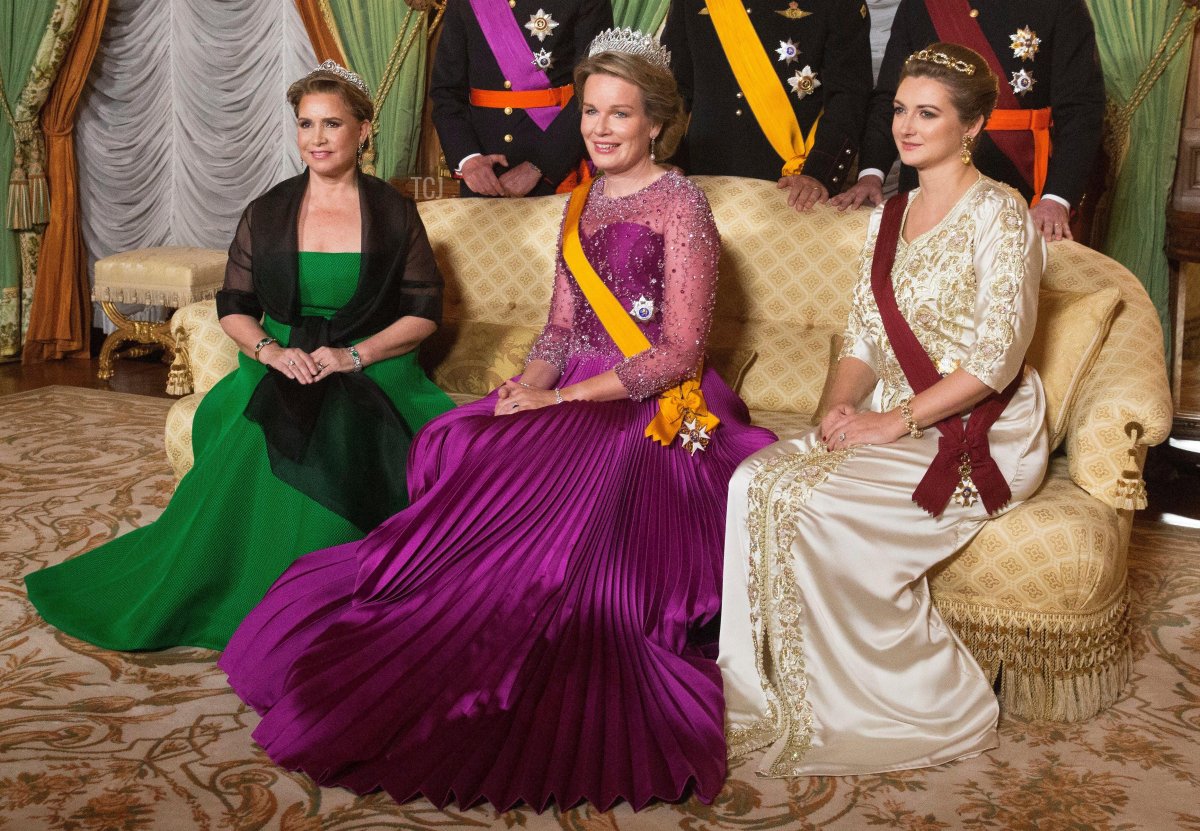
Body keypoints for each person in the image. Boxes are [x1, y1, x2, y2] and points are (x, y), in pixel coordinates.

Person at [219, 30, 777, 811]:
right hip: (572, 385)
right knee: (465, 437)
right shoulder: (580, 201)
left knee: (577, 518)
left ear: (657, 123)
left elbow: (679, 353)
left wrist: (561, 400)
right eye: (590, 111)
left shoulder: (683, 203)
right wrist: (530, 386)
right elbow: (558, 329)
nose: (602, 128)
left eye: (621, 114)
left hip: (654, 407)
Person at [24, 62, 454, 651]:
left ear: (363, 130)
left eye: (332, 124)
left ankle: (326, 603)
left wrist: (351, 356)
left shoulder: (395, 213)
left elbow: (423, 312)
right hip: (275, 361)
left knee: (345, 425)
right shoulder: (268, 210)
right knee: (263, 426)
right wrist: (272, 353)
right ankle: (235, 595)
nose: (318, 138)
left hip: (371, 366)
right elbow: (233, 305)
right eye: (306, 124)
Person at [719, 43, 1049, 777]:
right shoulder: (889, 214)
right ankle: (763, 689)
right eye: (900, 109)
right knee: (752, 482)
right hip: (894, 407)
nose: (906, 125)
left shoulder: (1001, 213)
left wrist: (887, 424)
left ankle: (911, 696)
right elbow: (866, 333)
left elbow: (995, 357)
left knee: (814, 503)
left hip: (979, 427)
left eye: (927, 113)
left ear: (972, 126)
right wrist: (835, 411)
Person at [830, 0, 1105, 243]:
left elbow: (1080, 111)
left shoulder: (1061, 5)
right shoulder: (921, 3)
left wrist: (1055, 199)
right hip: (925, 187)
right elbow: (891, 96)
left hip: (1022, 187)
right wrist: (871, 174)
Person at [660, 0, 873, 212]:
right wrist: (662, 160)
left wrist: (818, 173)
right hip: (700, 175)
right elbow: (673, 88)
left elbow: (848, 97)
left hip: (794, 185)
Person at [431, 0, 612, 197]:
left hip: (557, 167)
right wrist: (469, 159)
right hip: (483, 174)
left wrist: (540, 165)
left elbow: (595, 89)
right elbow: (447, 92)